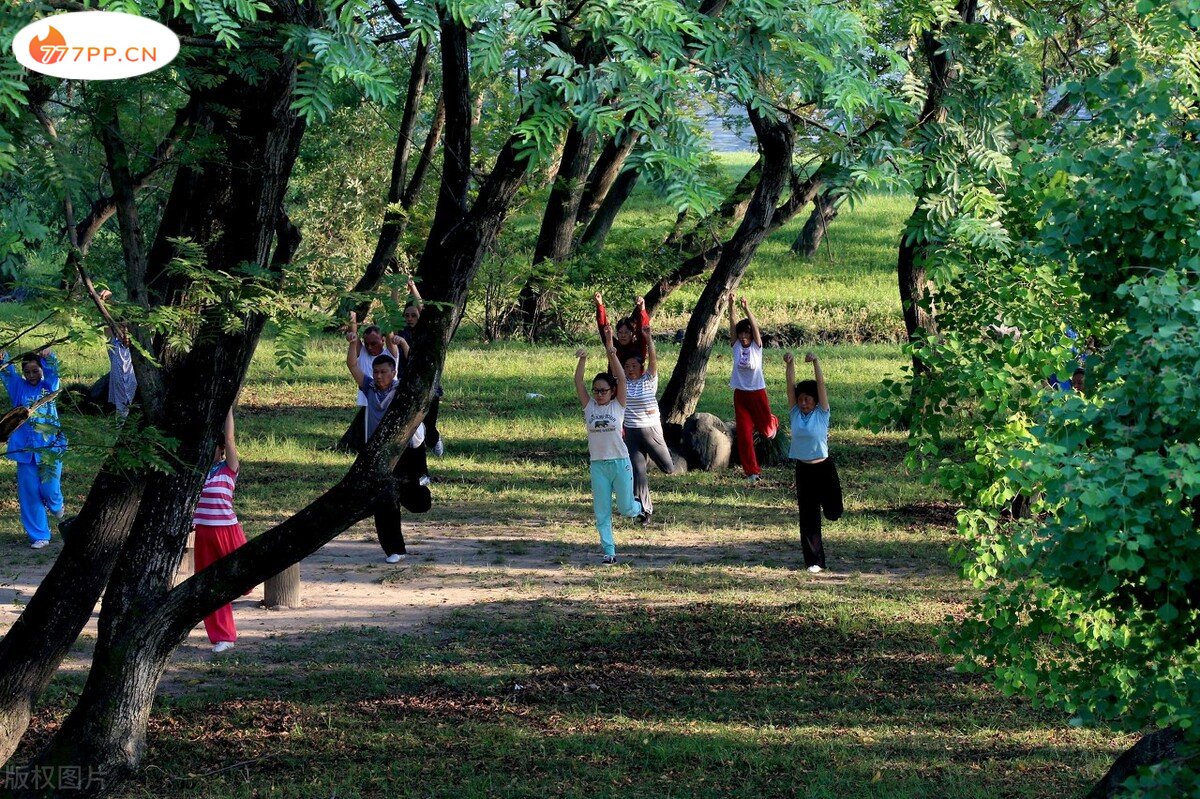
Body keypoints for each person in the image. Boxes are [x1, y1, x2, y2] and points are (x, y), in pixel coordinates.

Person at [346, 324, 431, 563]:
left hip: (403, 453)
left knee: (418, 502)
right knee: (384, 501)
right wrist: (353, 342)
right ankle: (395, 549)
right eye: (377, 372)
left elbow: (416, 369)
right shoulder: (369, 388)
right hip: (377, 454)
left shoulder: (401, 389)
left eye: (384, 372)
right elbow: (352, 365)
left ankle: (416, 488)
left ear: (393, 371)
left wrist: (403, 345)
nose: (380, 376)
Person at [575, 330, 642, 564]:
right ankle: (609, 551)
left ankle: (638, 507)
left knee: (625, 509)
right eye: (596, 391)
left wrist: (612, 354)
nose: (599, 394)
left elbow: (622, 379)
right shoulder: (590, 408)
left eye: (603, 390)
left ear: (611, 391)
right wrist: (582, 359)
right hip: (598, 465)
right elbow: (578, 383)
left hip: (620, 463)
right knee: (602, 512)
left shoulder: (618, 406)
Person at [193, 408, 248, 653]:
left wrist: (226, 410)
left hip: (227, 531)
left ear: (221, 450)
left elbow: (230, 438)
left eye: (212, 447)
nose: (207, 452)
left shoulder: (229, 469)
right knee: (210, 586)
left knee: (242, 579)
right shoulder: (196, 473)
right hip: (204, 533)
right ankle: (222, 636)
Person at [1, 348, 67, 548]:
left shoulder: (49, 386)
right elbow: (6, 373)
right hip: (25, 450)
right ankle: (40, 535)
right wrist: (2, 357)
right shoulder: (17, 387)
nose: (31, 376)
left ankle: (56, 506)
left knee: (50, 488)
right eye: (27, 372)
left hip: (50, 446)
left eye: (35, 371)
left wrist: (49, 357)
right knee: (29, 494)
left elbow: (55, 373)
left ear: (41, 370)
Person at [785, 351, 843, 573]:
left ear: (816, 401)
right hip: (804, 470)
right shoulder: (795, 413)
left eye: (807, 399)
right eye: (800, 399)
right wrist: (790, 365)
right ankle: (814, 561)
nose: (803, 403)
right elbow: (790, 386)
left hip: (825, 469)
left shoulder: (822, 413)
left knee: (833, 512)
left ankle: (834, 510)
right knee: (808, 517)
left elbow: (821, 385)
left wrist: (816, 362)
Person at [621, 321, 673, 525]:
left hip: (651, 429)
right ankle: (644, 511)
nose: (630, 369)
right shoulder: (622, 383)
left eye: (634, 366)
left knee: (668, 468)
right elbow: (612, 359)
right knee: (638, 472)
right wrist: (609, 342)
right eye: (627, 366)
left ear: (641, 368)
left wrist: (649, 339)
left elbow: (653, 360)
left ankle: (656, 455)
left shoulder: (649, 379)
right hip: (631, 432)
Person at [728, 293, 778, 483]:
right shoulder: (736, 346)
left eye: (746, 333)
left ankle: (773, 421)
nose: (744, 337)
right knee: (744, 434)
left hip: (757, 393)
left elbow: (755, 327)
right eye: (741, 334)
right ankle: (752, 472)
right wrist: (731, 306)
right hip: (741, 395)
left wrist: (746, 308)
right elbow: (732, 325)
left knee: (767, 431)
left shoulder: (757, 347)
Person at [398, 277, 445, 457]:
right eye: (407, 315)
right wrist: (395, 289)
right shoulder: (400, 331)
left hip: (427, 380)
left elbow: (423, 310)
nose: (410, 319)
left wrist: (413, 288)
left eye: (413, 315)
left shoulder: (425, 331)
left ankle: (434, 440)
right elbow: (392, 310)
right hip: (405, 378)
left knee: (429, 420)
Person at [98, 290, 136, 418]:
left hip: (134, 385)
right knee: (122, 411)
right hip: (120, 387)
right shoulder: (114, 343)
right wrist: (106, 300)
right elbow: (107, 319)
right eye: (122, 327)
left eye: (127, 327)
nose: (125, 331)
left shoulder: (138, 347)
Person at [594, 291, 650, 365]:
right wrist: (599, 305)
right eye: (620, 332)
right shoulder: (614, 346)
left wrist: (642, 309)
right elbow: (603, 328)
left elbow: (643, 331)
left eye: (626, 332)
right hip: (614, 376)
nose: (623, 335)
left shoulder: (638, 347)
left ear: (632, 334)